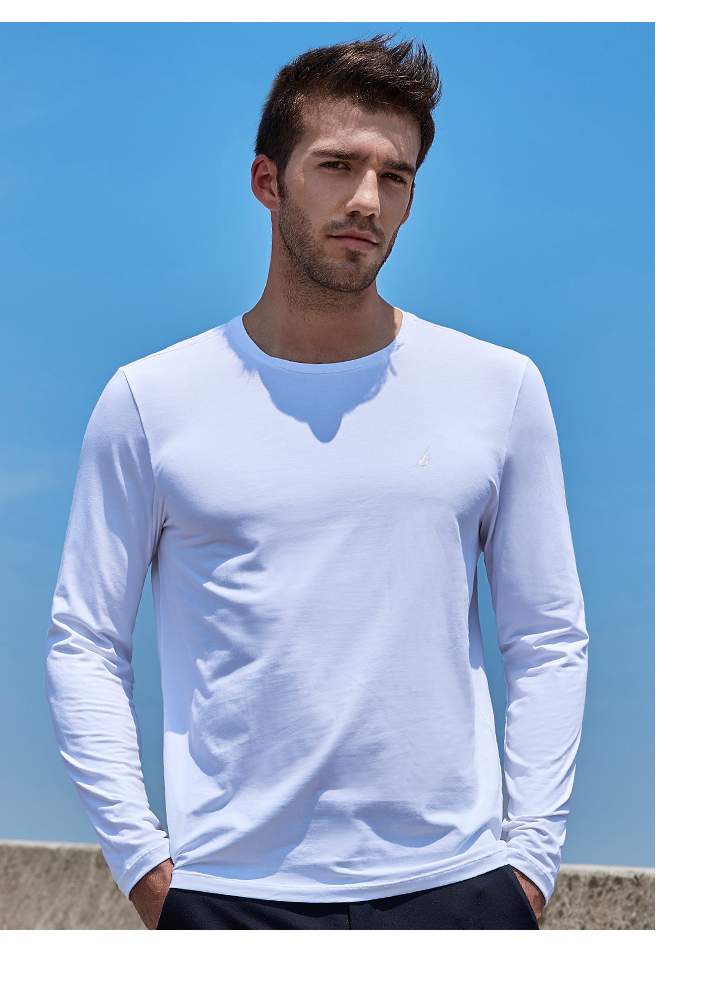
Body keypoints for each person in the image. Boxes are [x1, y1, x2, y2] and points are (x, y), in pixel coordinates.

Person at [45, 34, 588, 931]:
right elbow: (85, 642)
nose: (367, 199)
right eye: (337, 165)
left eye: (395, 177)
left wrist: (529, 861)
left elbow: (548, 635)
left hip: (460, 889)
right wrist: (145, 866)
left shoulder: (500, 389)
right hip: (229, 898)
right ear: (268, 181)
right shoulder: (151, 400)